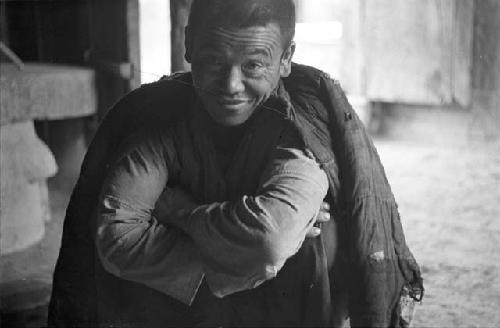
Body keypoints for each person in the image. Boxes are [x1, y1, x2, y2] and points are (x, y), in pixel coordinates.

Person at [48, 1, 423, 327]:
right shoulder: (160, 120)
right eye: (213, 61)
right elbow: (115, 236)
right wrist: (236, 253)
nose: (230, 85)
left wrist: (180, 212)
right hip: (186, 308)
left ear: (286, 58)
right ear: (188, 44)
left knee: (319, 240)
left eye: (254, 66)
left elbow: (267, 240)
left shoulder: (298, 127)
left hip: (281, 309)